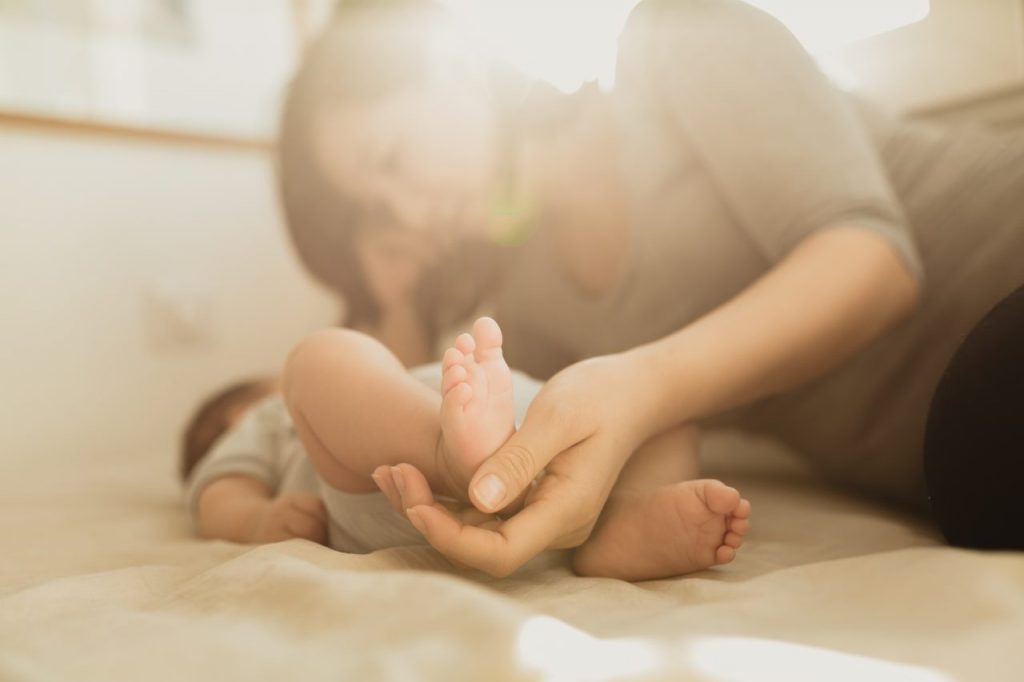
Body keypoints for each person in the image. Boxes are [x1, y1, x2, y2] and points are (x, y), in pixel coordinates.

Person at [276, 0, 1024, 576]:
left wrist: (641, 386)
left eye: (392, 158)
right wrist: (394, 294)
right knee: (979, 464)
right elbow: (410, 424)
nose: (409, 216)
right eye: (378, 212)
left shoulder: (676, 38)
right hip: (965, 461)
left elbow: (872, 264)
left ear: (451, 62)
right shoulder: (525, 309)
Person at [182, 318, 752, 581]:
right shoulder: (266, 417)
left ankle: (614, 521)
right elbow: (218, 492)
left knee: (669, 418)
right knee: (316, 359)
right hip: (390, 484)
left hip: (561, 451)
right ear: (235, 417)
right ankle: (450, 458)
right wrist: (254, 518)